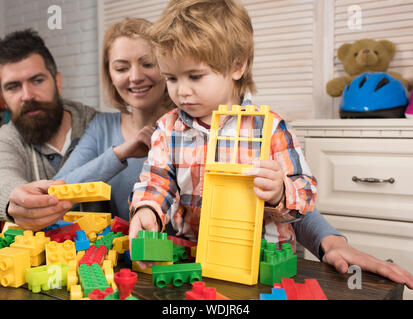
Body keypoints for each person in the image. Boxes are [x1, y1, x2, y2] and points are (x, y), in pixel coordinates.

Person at [129, 0, 413, 290]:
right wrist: (147, 210)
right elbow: (157, 180)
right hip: (195, 262)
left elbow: (304, 191)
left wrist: (279, 193)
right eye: (171, 78)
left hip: (261, 265)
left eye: (195, 76)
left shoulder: (269, 127)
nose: (182, 91)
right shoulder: (168, 127)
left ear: (237, 65)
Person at [54, 18, 174, 221]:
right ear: (109, 74)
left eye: (148, 64)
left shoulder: (189, 126)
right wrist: (121, 153)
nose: (135, 76)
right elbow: (55, 192)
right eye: (121, 68)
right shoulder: (101, 127)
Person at [0, 29, 97, 231]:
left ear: (57, 81)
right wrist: (14, 199)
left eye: (37, 81)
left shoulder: (95, 123)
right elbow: (3, 174)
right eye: (13, 87)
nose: (27, 95)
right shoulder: (7, 138)